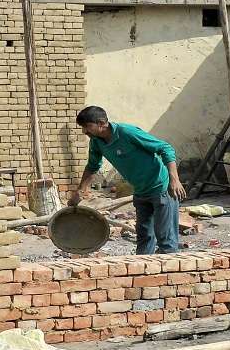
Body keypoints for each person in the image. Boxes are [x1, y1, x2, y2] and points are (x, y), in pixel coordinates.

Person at [69, 106, 185, 255]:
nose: (84, 131)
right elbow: (92, 166)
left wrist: (174, 179)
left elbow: (165, 148)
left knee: (166, 241)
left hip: (161, 188)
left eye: (87, 127)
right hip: (141, 191)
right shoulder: (97, 142)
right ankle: (143, 273)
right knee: (144, 238)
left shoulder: (127, 132)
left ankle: (169, 274)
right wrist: (81, 190)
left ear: (101, 123)